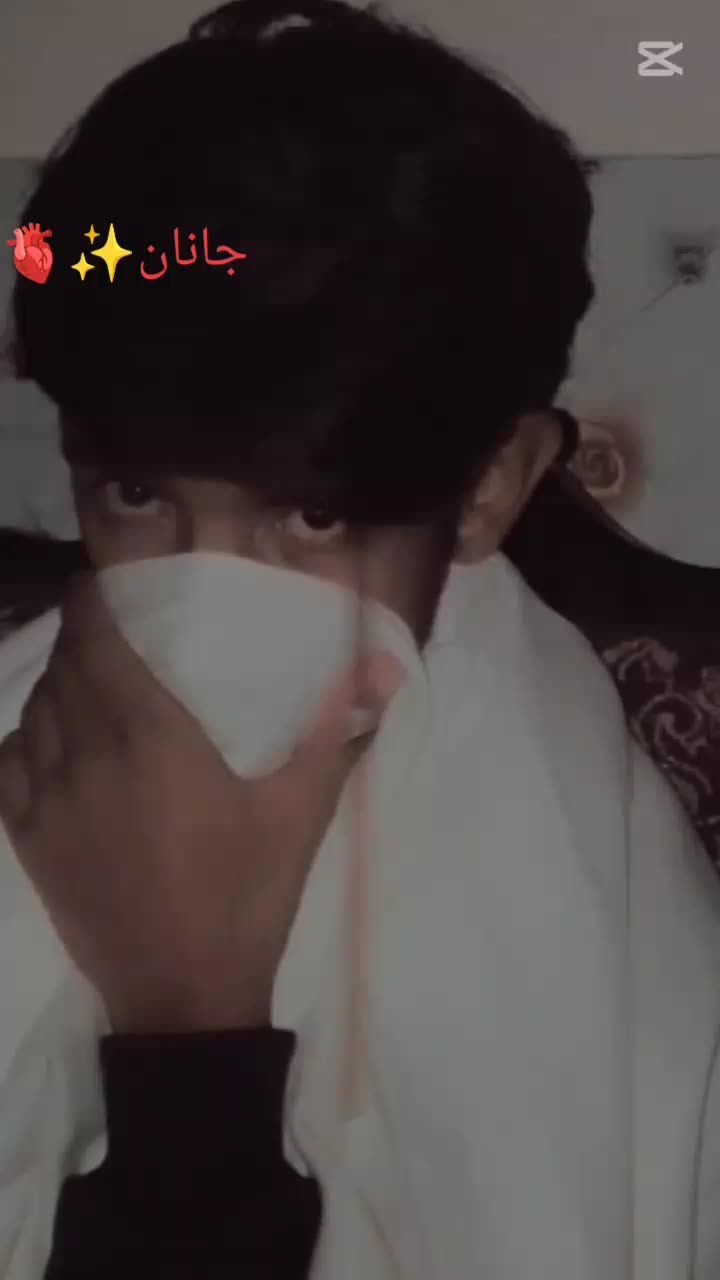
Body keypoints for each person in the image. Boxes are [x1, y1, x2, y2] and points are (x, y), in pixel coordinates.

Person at [1, 2, 719, 1278]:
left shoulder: (569, 852)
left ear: (489, 486)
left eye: (313, 518)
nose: (203, 598)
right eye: (137, 494)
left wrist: (188, 1024)